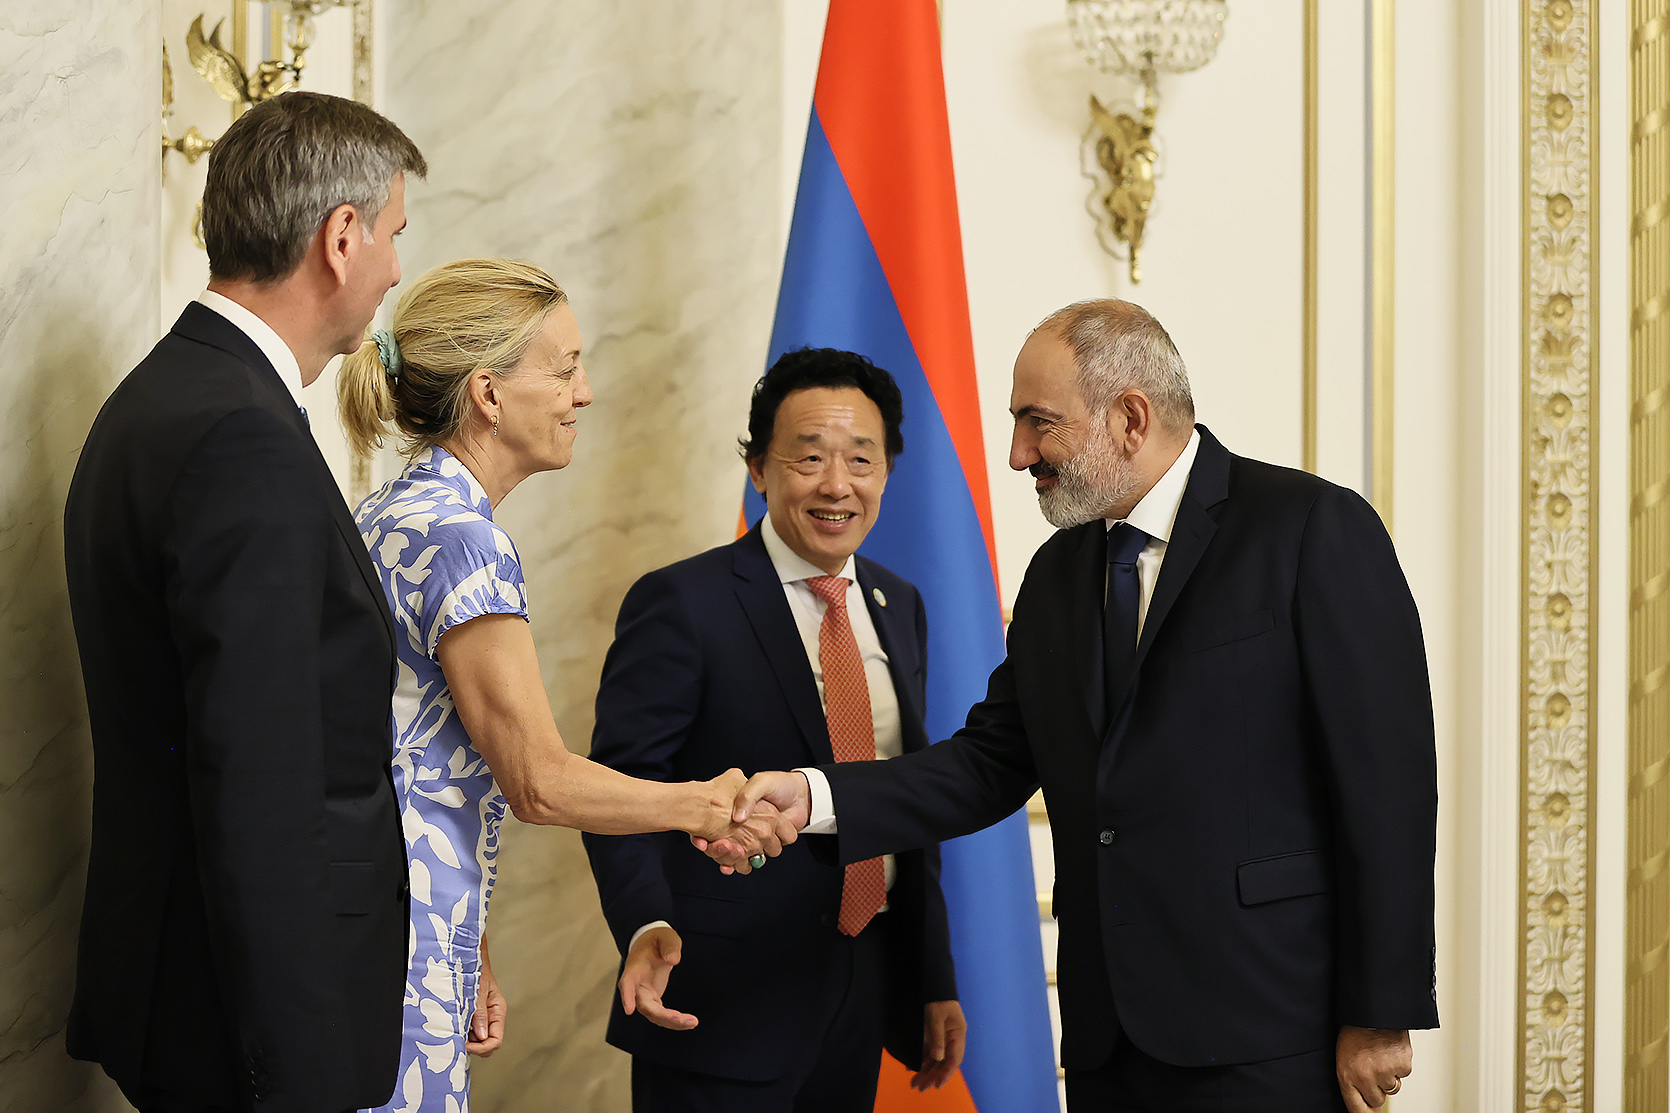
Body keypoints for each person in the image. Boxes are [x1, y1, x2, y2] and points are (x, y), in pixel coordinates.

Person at [732, 301, 1439, 1113]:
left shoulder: (1310, 528)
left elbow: (1387, 786)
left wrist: (1379, 1008)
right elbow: (988, 763)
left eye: (1038, 423)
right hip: (1109, 1041)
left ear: (1130, 418)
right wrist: (815, 795)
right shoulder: (1058, 573)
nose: (1016, 454)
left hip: (1273, 1026)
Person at [336, 257, 795, 1113]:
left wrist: (467, 945)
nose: (583, 392)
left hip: (380, 926)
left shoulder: (385, 513)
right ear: (488, 393)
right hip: (403, 946)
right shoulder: (465, 542)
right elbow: (538, 781)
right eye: (565, 368)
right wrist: (703, 805)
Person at [62, 92, 426, 1113]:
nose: (396, 269)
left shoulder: (167, 392)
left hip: (185, 985)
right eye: (395, 234)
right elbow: (261, 783)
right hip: (241, 1033)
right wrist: (297, 1073)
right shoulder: (241, 436)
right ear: (341, 238)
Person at [581, 349, 967, 1112]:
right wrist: (645, 921)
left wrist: (932, 977)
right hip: (719, 997)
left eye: (861, 458)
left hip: (862, 985)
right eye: (809, 457)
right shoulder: (682, 602)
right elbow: (619, 792)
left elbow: (906, 797)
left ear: (887, 472)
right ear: (758, 468)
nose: (837, 484)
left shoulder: (899, 603)